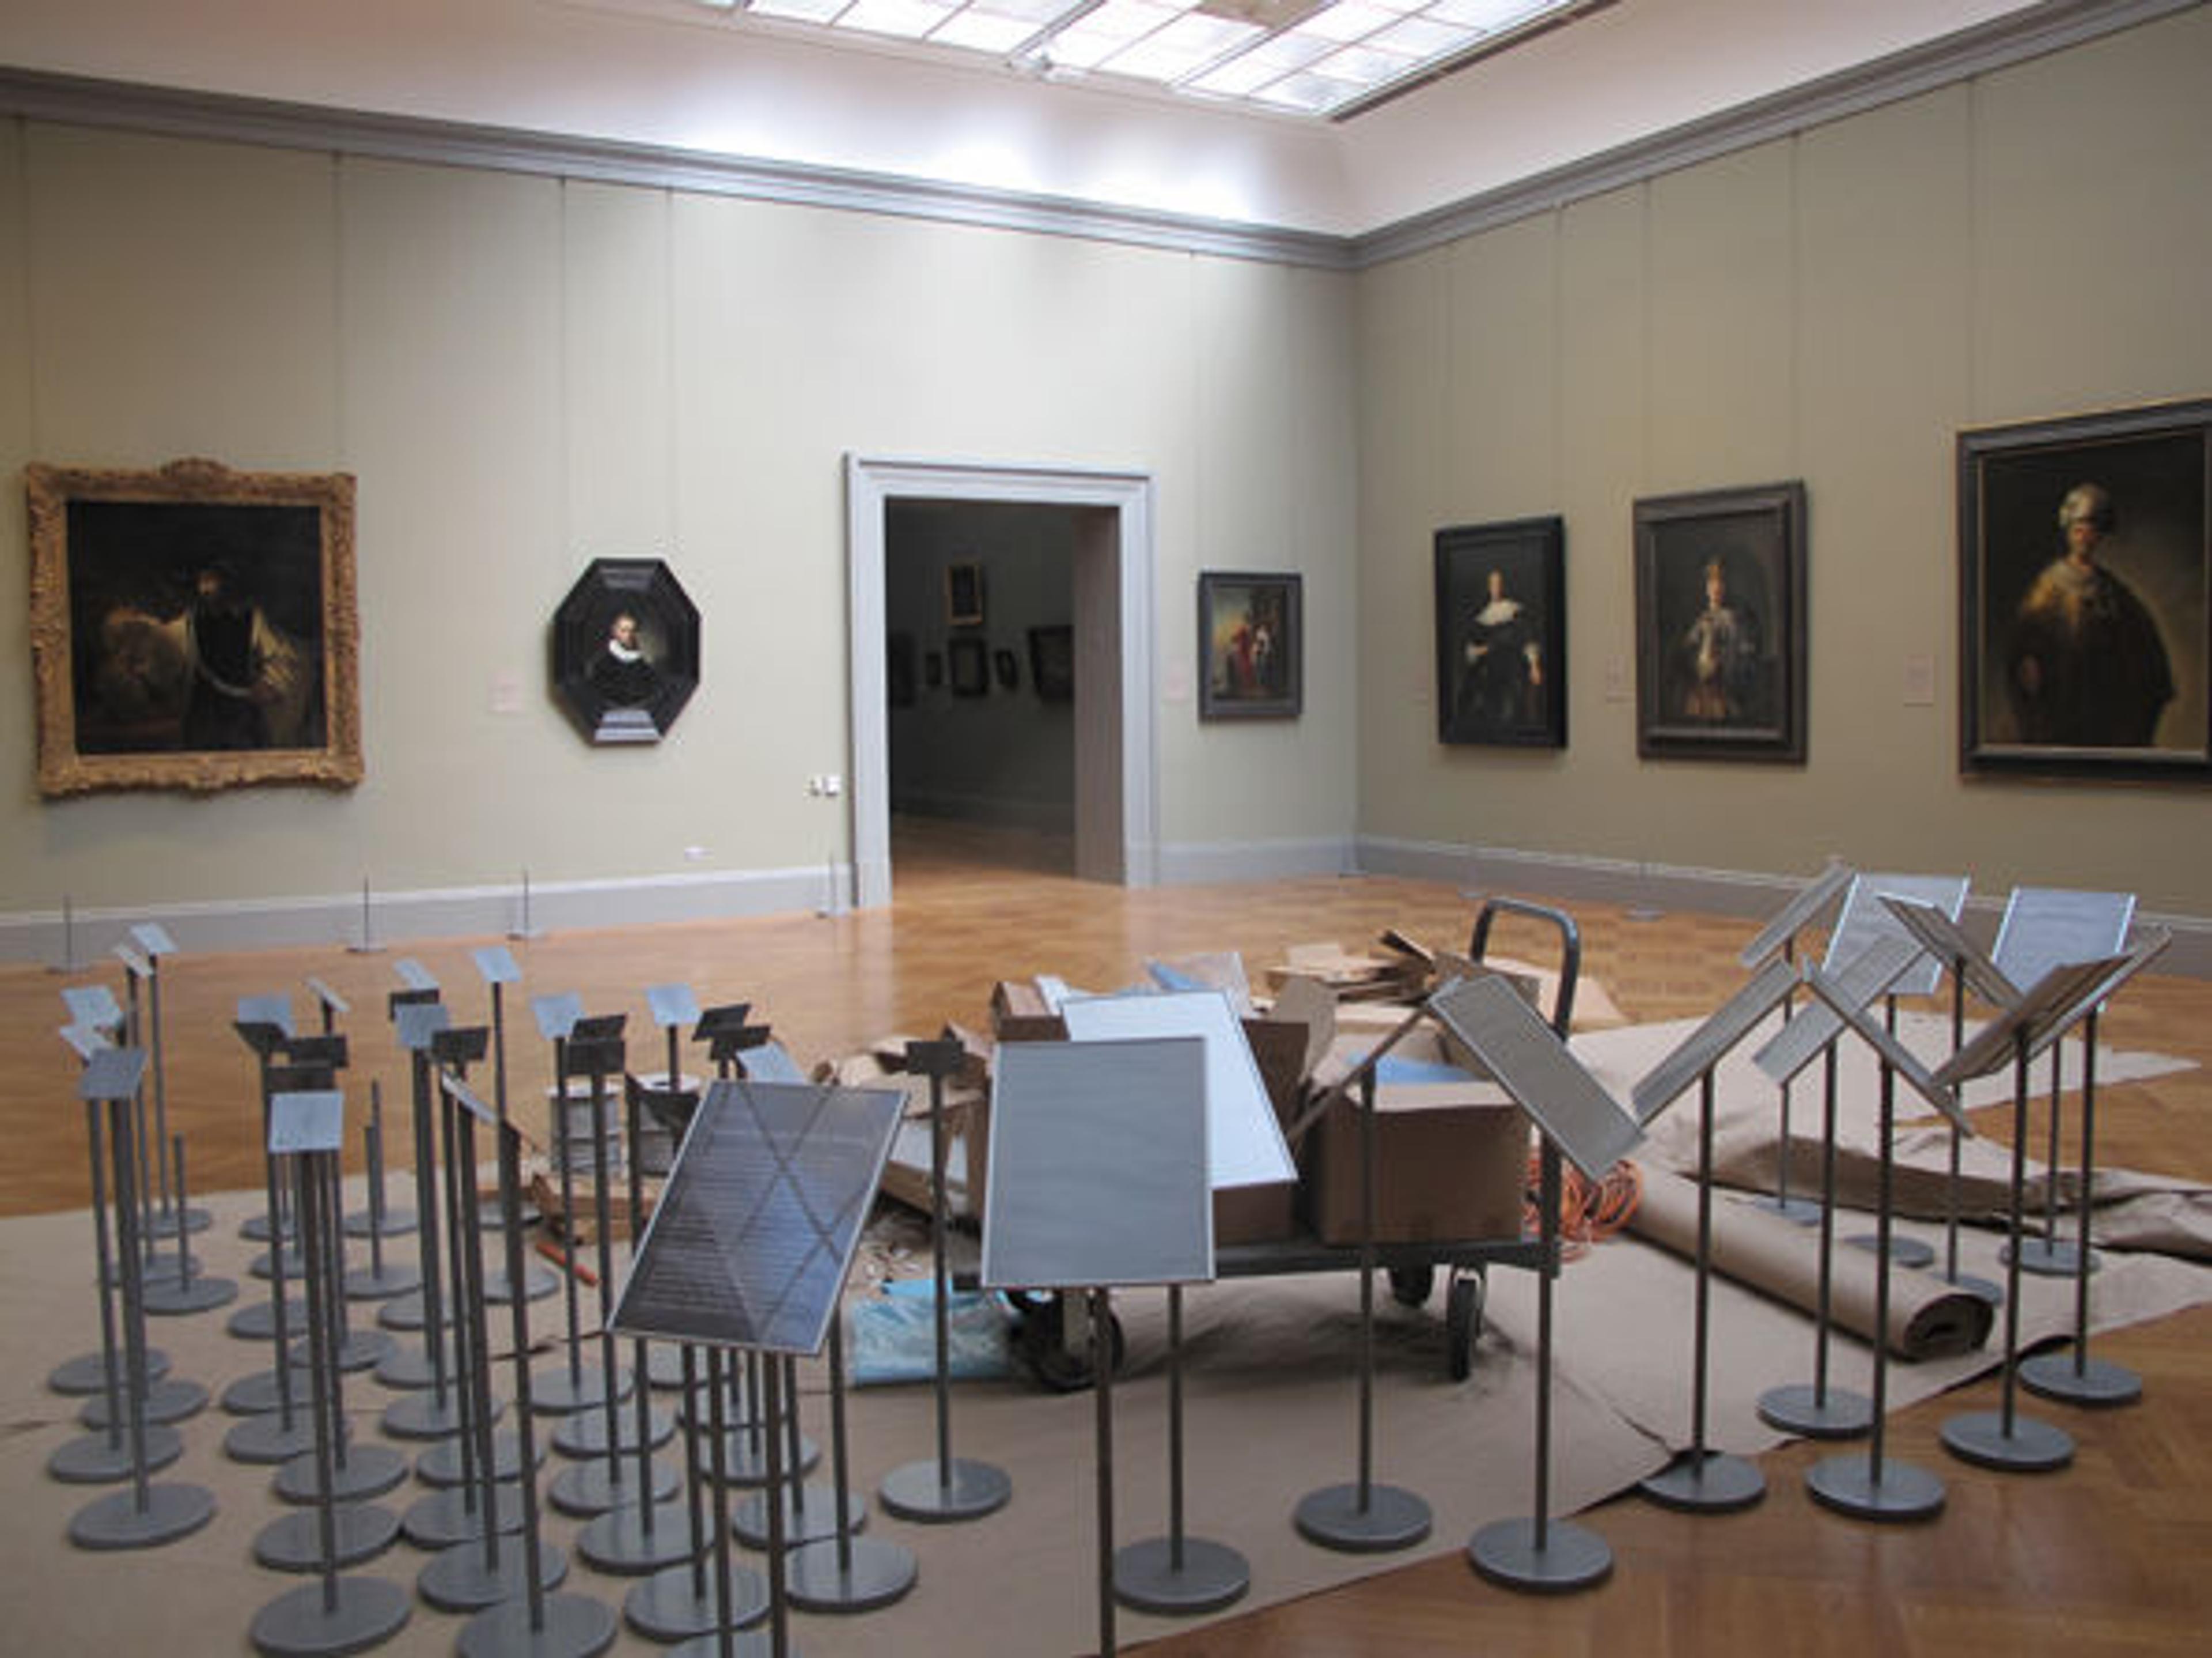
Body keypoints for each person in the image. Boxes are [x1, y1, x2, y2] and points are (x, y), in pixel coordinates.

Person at [2006, 482, 2174, 746]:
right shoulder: (2048, 586)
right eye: (2078, 530)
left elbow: (2143, 641)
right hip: (2062, 698)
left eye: (2091, 531)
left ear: (2100, 536)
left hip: (2102, 702)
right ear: (2069, 533)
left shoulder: (2112, 590)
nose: (2084, 537)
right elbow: (2025, 639)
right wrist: (2029, 665)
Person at [179, 558, 309, 749]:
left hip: (242, 712)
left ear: (227, 583)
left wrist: (271, 682)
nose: (204, 589)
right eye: (201, 581)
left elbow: (280, 654)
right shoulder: (192, 618)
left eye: (210, 581)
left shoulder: (251, 617)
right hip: (203, 713)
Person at [1455, 567, 1541, 734]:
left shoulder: (1515, 611)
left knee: (1512, 712)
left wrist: (1534, 666)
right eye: (1493, 584)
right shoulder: (1481, 614)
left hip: (1511, 668)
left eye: (1499, 584)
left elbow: (1528, 640)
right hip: (1487, 672)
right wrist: (1477, 651)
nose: (1496, 588)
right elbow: (1470, 646)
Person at [1678, 554, 1761, 724]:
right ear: (1706, 588)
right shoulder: (1700, 620)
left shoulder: (1734, 619)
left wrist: (1723, 661)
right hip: (1700, 688)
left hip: (1723, 686)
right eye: (1712, 584)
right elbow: (1688, 649)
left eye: (1721, 583)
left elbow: (1741, 652)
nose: (1716, 589)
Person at [588, 611, 660, 707]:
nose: (629, 635)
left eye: (632, 631)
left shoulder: (639, 661)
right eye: (624, 631)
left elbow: (652, 687)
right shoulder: (602, 662)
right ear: (614, 631)